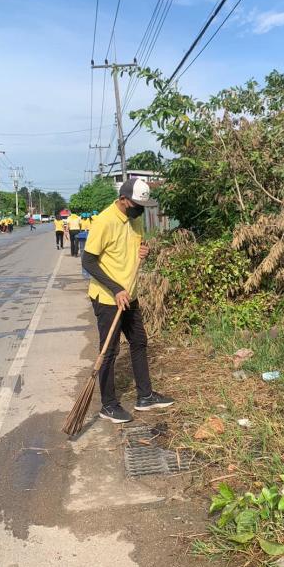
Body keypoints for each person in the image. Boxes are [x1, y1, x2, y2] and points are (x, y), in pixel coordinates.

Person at [82, 178, 174, 423]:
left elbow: (134, 248)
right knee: (109, 351)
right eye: (136, 205)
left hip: (129, 294)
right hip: (108, 298)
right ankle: (108, 405)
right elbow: (88, 261)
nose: (139, 210)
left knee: (139, 341)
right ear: (124, 200)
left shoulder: (135, 219)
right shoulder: (105, 221)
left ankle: (145, 396)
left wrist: (143, 252)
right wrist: (115, 289)